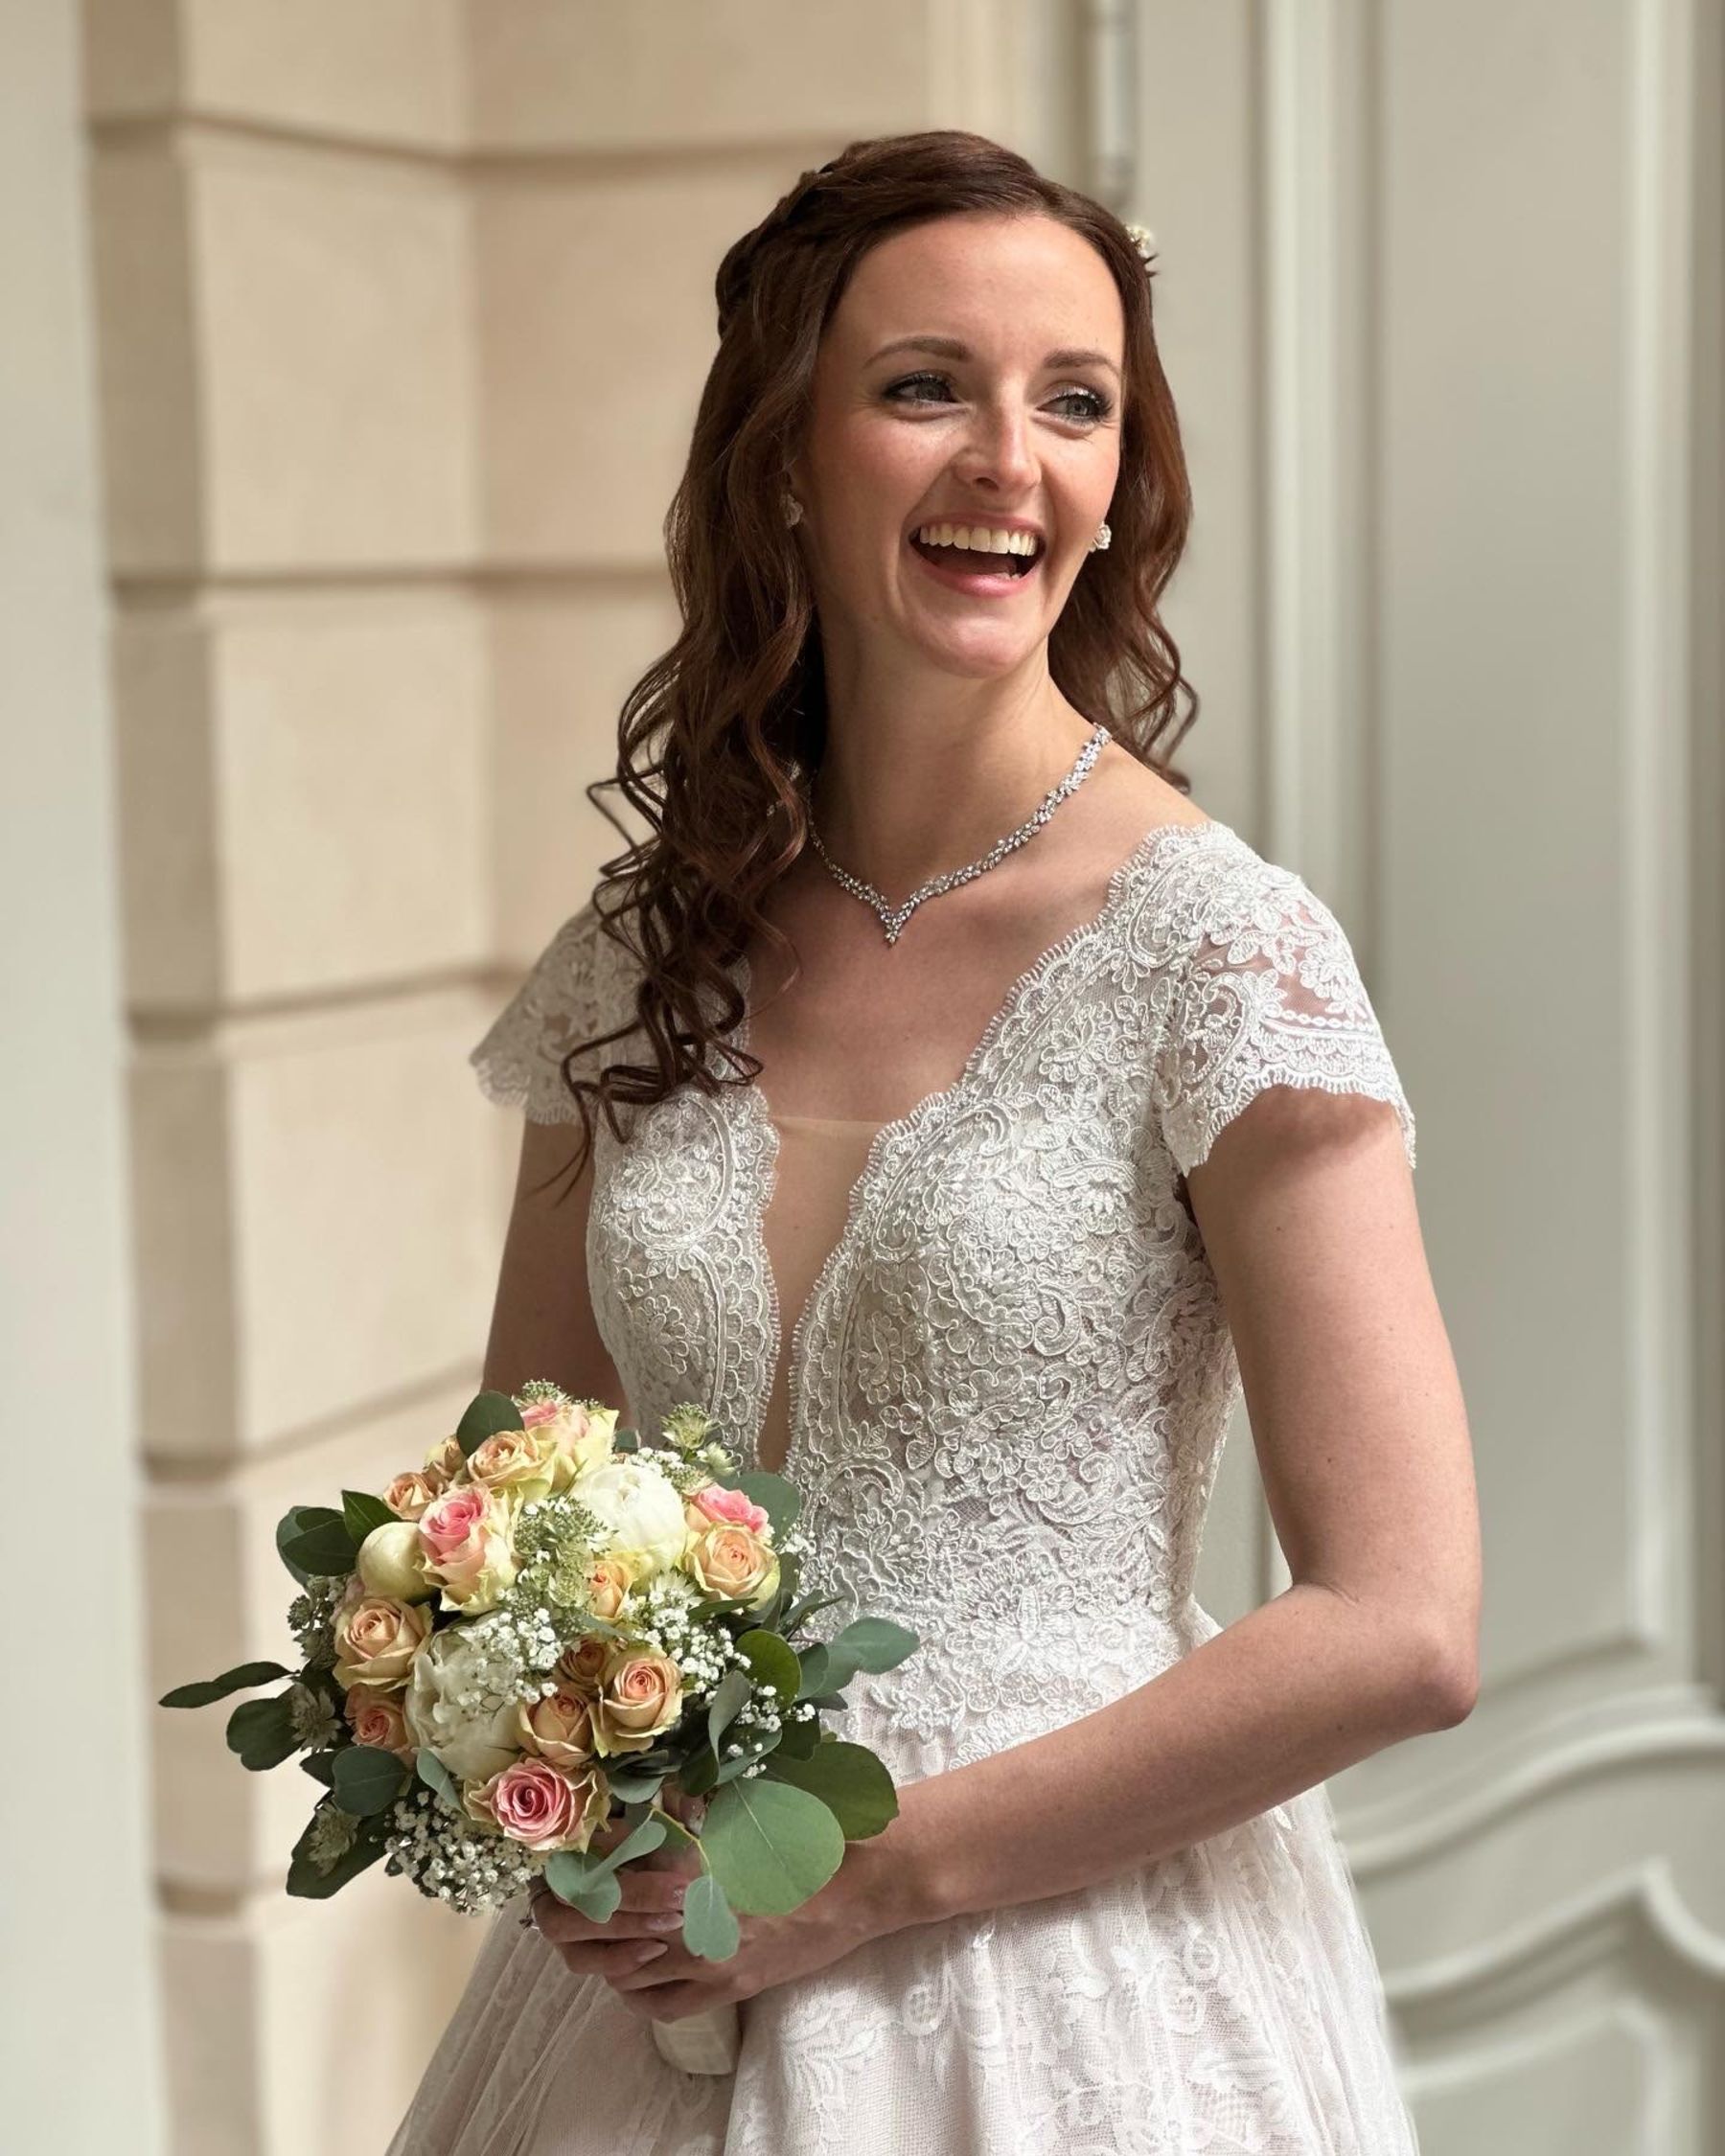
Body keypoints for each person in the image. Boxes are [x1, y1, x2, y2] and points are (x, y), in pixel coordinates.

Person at [386, 126, 1478, 2155]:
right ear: (785, 459)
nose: (1011, 463)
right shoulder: (640, 956)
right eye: (924, 388)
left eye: (1076, 402)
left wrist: (858, 1876)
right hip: (654, 1982)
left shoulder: (1219, 954)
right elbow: (515, 1495)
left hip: (1076, 1984)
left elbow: (1403, 1625)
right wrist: (545, 1782)